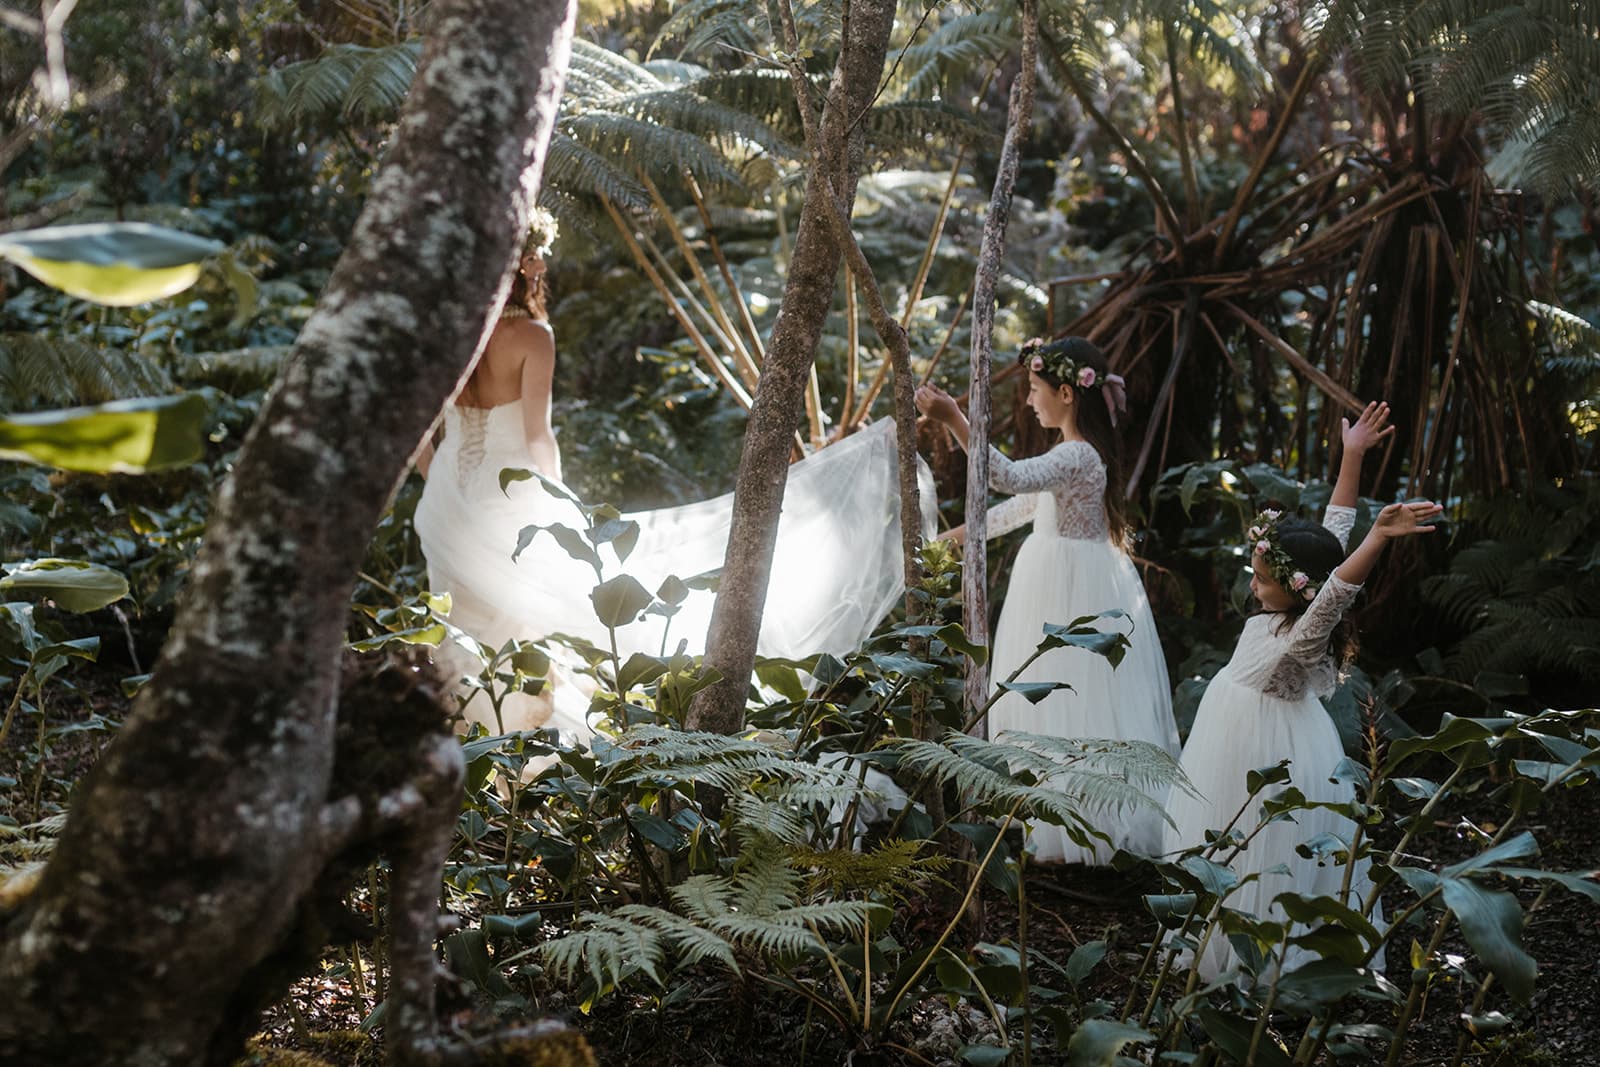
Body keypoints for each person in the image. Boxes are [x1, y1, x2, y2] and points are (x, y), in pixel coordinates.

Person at [414, 211, 937, 742]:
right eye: (539, 254)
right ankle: (513, 772)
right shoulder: (532, 336)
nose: (544, 262)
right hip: (513, 511)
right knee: (519, 640)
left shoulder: (447, 336)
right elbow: (537, 437)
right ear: (524, 263)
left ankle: (456, 762)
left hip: (444, 512)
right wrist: (560, 507)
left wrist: (445, 490)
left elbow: (416, 439)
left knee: (459, 640)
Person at [1164, 400, 1438, 979]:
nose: (1254, 586)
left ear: (1300, 589)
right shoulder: (1297, 589)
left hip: (1265, 741)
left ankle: (1266, 964)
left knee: (1267, 842)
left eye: (1264, 581)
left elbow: (1338, 584)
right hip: (1236, 723)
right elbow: (1332, 533)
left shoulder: (1306, 633)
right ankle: (1223, 939)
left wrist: (1382, 536)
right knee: (1226, 834)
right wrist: (1353, 456)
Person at [915, 336, 1181, 864]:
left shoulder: (1078, 454)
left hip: (1071, 590)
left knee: (1071, 702)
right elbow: (1017, 512)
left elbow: (1008, 478)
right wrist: (948, 542)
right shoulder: (1074, 454)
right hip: (1060, 578)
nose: (1031, 400)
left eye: (1035, 390)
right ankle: (1053, 829)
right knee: (1056, 703)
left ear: (1066, 391)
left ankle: (1081, 832)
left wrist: (952, 417)